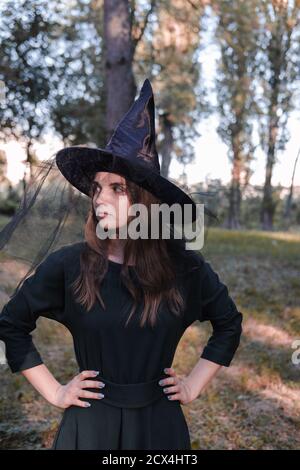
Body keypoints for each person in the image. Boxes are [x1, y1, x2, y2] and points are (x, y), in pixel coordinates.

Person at [0, 78, 243, 450]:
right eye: (97, 188)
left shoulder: (186, 269)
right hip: (89, 427)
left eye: (117, 188)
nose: (100, 198)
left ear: (147, 202)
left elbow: (228, 323)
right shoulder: (69, 266)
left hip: (160, 428)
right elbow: (12, 324)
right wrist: (56, 392)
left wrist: (193, 385)